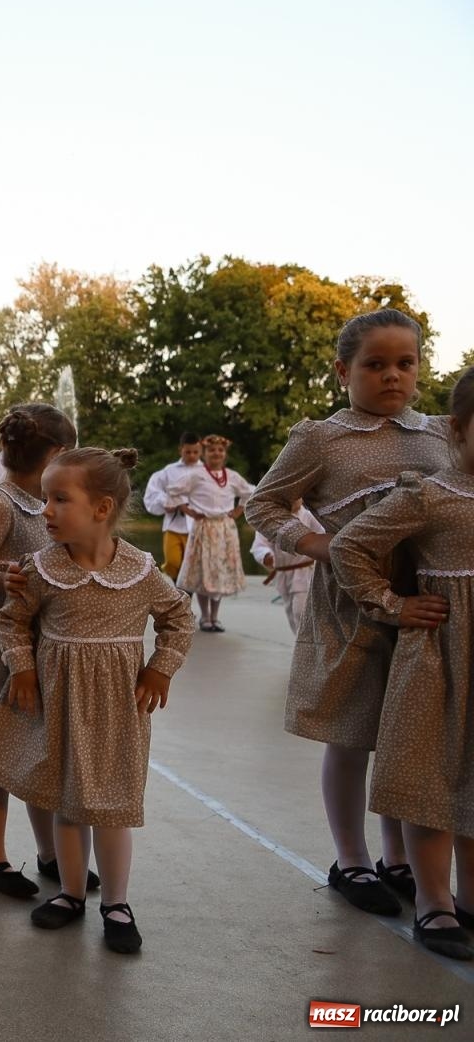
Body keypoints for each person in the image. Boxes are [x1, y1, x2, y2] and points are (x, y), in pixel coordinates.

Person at [245, 308, 452, 918]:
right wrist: (318, 546)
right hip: (354, 605)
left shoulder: (439, 434)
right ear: (344, 371)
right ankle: (352, 858)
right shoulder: (321, 438)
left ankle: (400, 858)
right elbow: (264, 505)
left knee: (410, 734)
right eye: (376, 364)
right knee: (353, 732)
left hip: (428, 604)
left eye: (406, 364)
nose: (393, 376)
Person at [0, 447, 194, 954]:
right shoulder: (41, 568)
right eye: (45, 498)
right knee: (67, 805)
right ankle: (72, 894)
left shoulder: (139, 571)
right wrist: (21, 668)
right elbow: (13, 620)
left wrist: (162, 667)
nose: (45, 510)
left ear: (102, 508)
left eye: (59, 499)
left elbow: (179, 617)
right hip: (57, 704)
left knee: (111, 807)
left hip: (117, 710)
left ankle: (116, 903)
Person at [329, 365, 474, 960]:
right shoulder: (431, 494)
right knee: (431, 780)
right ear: (459, 431)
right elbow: (349, 546)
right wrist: (391, 603)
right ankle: (434, 902)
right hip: (439, 656)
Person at [0, 404, 79, 900]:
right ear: (54, 453)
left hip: (39, 646)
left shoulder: (48, 503)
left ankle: (50, 856)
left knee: (37, 755)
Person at [176, 434, 255, 632]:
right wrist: (189, 511)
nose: (216, 454)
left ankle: (215, 616)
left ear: (225, 454)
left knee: (219, 571)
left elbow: (249, 493)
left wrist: (238, 511)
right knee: (205, 570)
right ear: (205, 453)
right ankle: (204, 616)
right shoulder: (197, 475)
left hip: (224, 528)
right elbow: (175, 492)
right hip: (204, 527)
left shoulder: (232, 476)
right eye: (211, 450)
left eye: (220, 450)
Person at [250, 499, 321, 636]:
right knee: (290, 612)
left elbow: (323, 533)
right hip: (283, 573)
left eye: (298, 497)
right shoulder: (271, 519)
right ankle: (300, 643)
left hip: (305, 571)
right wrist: (266, 555)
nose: (294, 501)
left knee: (300, 610)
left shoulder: (309, 516)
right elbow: (260, 545)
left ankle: (306, 644)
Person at [142, 432, 202, 583]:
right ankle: (178, 583)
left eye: (195, 452)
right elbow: (152, 492)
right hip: (173, 525)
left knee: (193, 564)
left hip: (197, 526)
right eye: (188, 452)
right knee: (173, 561)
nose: (192, 455)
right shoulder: (169, 471)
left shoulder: (207, 472)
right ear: (180, 450)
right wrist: (166, 503)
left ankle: (186, 591)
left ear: (200, 450)